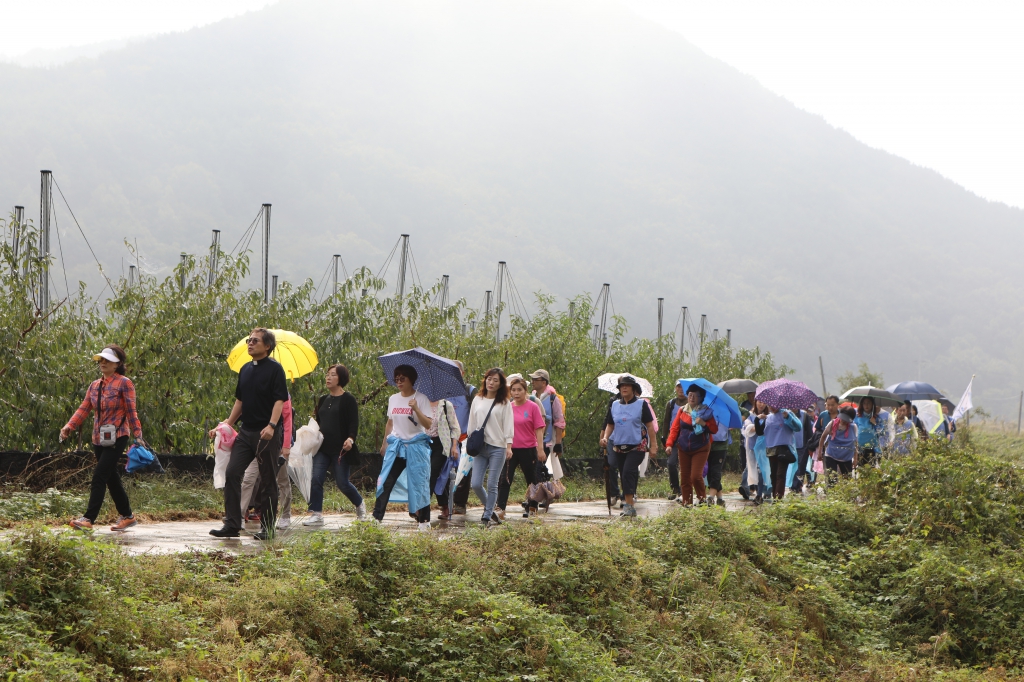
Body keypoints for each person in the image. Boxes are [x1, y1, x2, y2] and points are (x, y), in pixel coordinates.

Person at [209, 328, 289, 540]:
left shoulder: (275, 370)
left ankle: (268, 528)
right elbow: (240, 402)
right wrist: (226, 424)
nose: (250, 343)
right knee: (232, 473)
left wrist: (272, 426)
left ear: (267, 346)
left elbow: (279, 400)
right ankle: (232, 524)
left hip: (266, 433)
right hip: (246, 432)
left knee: (267, 480)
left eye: (255, 341)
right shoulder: (245, 369)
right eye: (249, 340)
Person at [62, 344, 145, 532]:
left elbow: (132, 411)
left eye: (108, 360)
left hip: (118, 435)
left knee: (99, 475)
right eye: (101, 359)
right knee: (110, 477)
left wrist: (138, 435)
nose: (103, 362)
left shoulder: (125, 383)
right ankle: (128, 516)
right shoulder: (95, 385)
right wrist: (69, 426)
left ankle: (88, 519)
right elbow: (84, 409)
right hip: (98, 438)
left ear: (118, 364)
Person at [374, 364, 434, 530]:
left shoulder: (421, 399)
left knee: (420, 484)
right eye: (396, 379)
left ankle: (424, 522)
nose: (399, 382)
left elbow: (428, 424)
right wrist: (385, 443)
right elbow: (390, 422)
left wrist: (415, 408)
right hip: (398, 446)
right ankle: (376, 519)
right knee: (385, 481)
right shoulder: (393, 399)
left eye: (402, 378)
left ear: (411, 380)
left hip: (416, 447)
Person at [304, 363, 365, 525]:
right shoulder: (323, 399)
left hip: (340, 449)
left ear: (341, 378)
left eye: (332, 375)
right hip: (322, 448)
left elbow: (353, 423)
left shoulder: (348, 399)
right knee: (316, 478)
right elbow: (318, 423)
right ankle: (316, 513)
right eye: (327, 374)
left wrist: (350, 439)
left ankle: (359, 504)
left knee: (343, 483)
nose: (328, 377)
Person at [600, 376, 658, 517]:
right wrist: (605, 438)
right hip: (619, 445)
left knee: (627, 472)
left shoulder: (641, 404)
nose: (624, 388)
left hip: (637, 445)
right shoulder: (614, 405)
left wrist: (654, 445)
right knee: (623, 473)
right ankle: (628, 505)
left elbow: (650, 426)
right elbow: (610, 424)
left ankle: (629, 505)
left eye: (627, 385)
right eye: (622, 386)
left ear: (633, 389)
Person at [468, 368, 515, 526]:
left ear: (501, 384)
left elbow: (508, 425)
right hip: (480, 447)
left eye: (496, 380)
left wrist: (508, 446)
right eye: (489, 379)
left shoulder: (504, 403)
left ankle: (486, 516)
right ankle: (491, 510)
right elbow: (472, 422)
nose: (491, 383)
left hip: (498, 447)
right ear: (485, 380)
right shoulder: (478, 399)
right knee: (475, 483)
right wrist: (469, 440)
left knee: (492, 484)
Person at [239, 395, 294, 529]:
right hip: (258, 444)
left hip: (277, 446)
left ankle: (285, 515)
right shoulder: (257, 389)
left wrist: (286, 445)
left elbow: (287, 421)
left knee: (282, 480)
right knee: (248, 478)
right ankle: (239, 516)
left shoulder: (282, 393)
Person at [496, 375, 547, 518]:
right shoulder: (508, 407)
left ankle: (532, 506)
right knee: (505, 479)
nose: (516, 393)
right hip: (511, 449)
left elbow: (539, 429)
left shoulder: (533, 407)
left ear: (526, 391)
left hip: (529, 448)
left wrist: (540, 449)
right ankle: (501, 508)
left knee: (531, 479)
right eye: (513, 390)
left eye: (519, 390)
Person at [665, 383, 716, 508]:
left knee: (695, 476)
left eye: (695, 395)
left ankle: (701, 499)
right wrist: (669, 444)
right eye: (690, 395)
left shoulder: (706, 412)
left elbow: (714, 429)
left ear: (700, 398)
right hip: (683, 448)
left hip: (701, 448)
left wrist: (704, 423)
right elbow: (675, 428)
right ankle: (687, 503)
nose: (691, 397)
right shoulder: (682, 410)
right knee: (685, 477)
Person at [426, 393, 461, 520]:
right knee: (428, 476)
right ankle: (444, 504)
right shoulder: (419, 403)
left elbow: (455, 428)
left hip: (440, 444)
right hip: (423, 443)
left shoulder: (446, 405)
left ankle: (422, 509)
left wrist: (454, 446)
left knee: (432, 473)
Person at [448, 360, 475, 515]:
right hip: (447, 438)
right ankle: (446, 503)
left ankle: (459, 504)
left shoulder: (469, 391)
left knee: (463, 473)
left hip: (464, 437)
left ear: (462, 373)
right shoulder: (443, 392)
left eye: (456, 370)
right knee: (445, 472)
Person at [764, 406, 801, 500]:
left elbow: (798, 427)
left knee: (780, 474)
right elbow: (761, 432)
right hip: (771, 449)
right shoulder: (768, 417)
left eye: (774, 405)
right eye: (769, 405)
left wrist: (788, 417)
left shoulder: (787, 413)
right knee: (773, 474)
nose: (771, 407)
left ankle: (778, 498)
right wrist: (758, 420)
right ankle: (774, 495)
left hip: (784, 449)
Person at [530, 368, 565, 463]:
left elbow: (559, 422)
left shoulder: (553, 398)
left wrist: (558, 444)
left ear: (544, 382)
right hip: (531, 441)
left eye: (535, 380)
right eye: (532, 379)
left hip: (547, 441)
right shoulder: (531, 398)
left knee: (538, 470)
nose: (532, 382)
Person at [819, 407, 858, 484]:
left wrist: (855, 459)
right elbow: (823, 437)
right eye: (843, 418)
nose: (843, 421)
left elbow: (855, 444)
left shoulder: (853, 427)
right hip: (831, 455)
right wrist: (820, 451)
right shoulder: (832, 423)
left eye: (846, 419)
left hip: (846, 457)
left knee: (847, 481)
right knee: (831, 480)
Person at [661, 383, 686, 501]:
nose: (681, 390)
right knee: (671, 463)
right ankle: (675, 489)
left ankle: (683, 491)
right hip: (673, 438)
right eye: (678, 387)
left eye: (683, 387)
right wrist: (664, 438)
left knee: (684, 466)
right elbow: (666, 421)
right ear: (676, 388)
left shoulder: (691, 403)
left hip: (686, 439)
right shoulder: (670, 404)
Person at [854, 397, 892, 467]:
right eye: (864, 403)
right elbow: (853, 430)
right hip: (860, 448)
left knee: (871, 469)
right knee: (861, 469)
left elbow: (882, 432)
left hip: (872, 448)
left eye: (868, 403)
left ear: (872, 405)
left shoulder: (877, 417)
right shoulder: (857, 416)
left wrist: (875, 423)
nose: (866, 405)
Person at [707, 416, 730, 507]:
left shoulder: (725, 406)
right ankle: (720, 499)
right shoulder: (706, 406)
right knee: (709, 472)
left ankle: (711, 497)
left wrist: (731, 424)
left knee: (716, 470)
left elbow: (744, 412)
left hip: (721, 446)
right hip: (708, 444)